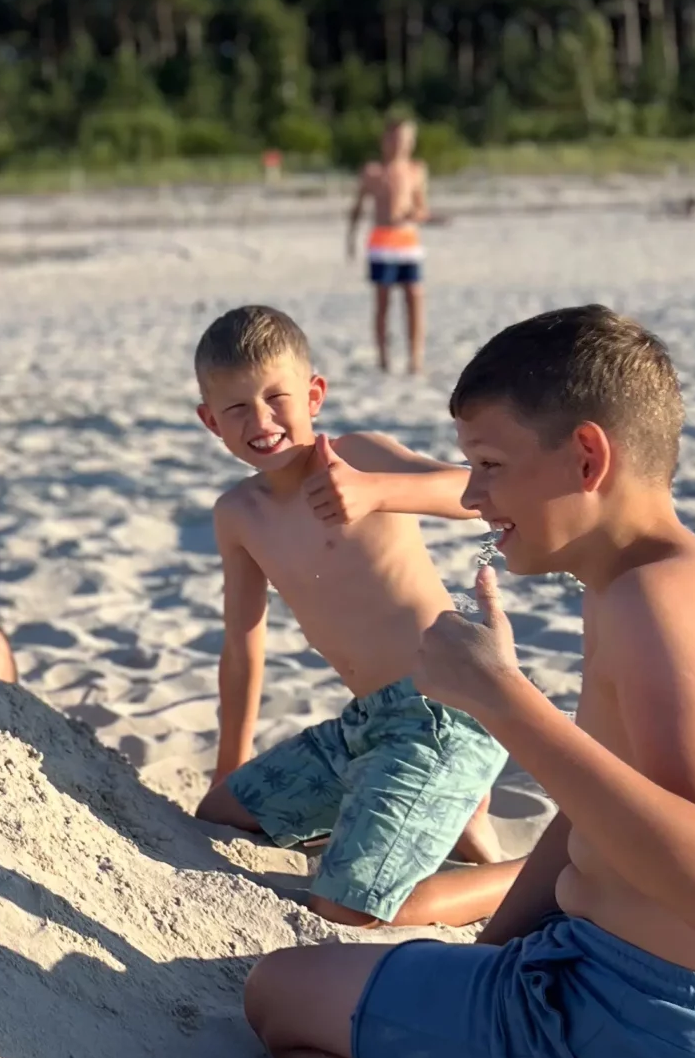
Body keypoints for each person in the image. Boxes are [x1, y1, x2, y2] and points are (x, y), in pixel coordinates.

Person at [246, 306, 695, 1058]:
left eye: (491, 466)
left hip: (652, 1037)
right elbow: (589, 815)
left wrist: (501, 699)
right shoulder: (684, 581)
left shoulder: (651, 609)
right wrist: (489, 958)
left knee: (278, 1003)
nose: (471, 498)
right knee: (378, 990)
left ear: (588, 457)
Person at [192, 304, 509, 928]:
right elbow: (242, 644)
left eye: (277, 398)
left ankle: (534, 873)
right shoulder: (238, 514)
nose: (261, 421)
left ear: (313, 395)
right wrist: (230, 764)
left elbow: (475, 492)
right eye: (237, 409)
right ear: (211, 422)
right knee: (222, 814)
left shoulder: (359, 456)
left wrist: (378, 490)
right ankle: (446, 818)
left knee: (344, 908)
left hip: (443, 713)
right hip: (364, 727)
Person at [346, 116, 430, 374]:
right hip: (382, 242)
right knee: (383, 302)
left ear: (411, 142)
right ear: (384, 140)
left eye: (404, 139)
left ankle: (415, 358)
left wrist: (415, 215)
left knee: (414, 296)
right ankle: (383, 358)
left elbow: (422, 208)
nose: (399, 144)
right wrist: (350, 238)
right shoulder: (373, 172)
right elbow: (358, 207)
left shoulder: (416, 170)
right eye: (394, 139)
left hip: (407, 240)